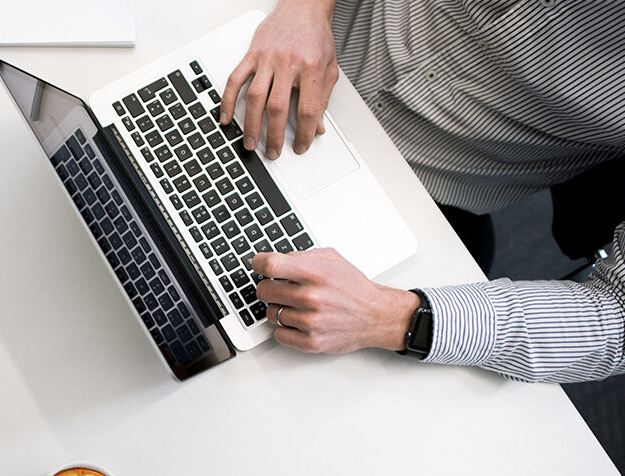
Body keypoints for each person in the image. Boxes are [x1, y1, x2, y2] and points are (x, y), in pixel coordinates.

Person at [222, 0, 625, 383]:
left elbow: (617, 318)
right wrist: (306, 10)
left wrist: (393, 318)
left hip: (428, 198)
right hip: (301, 43)